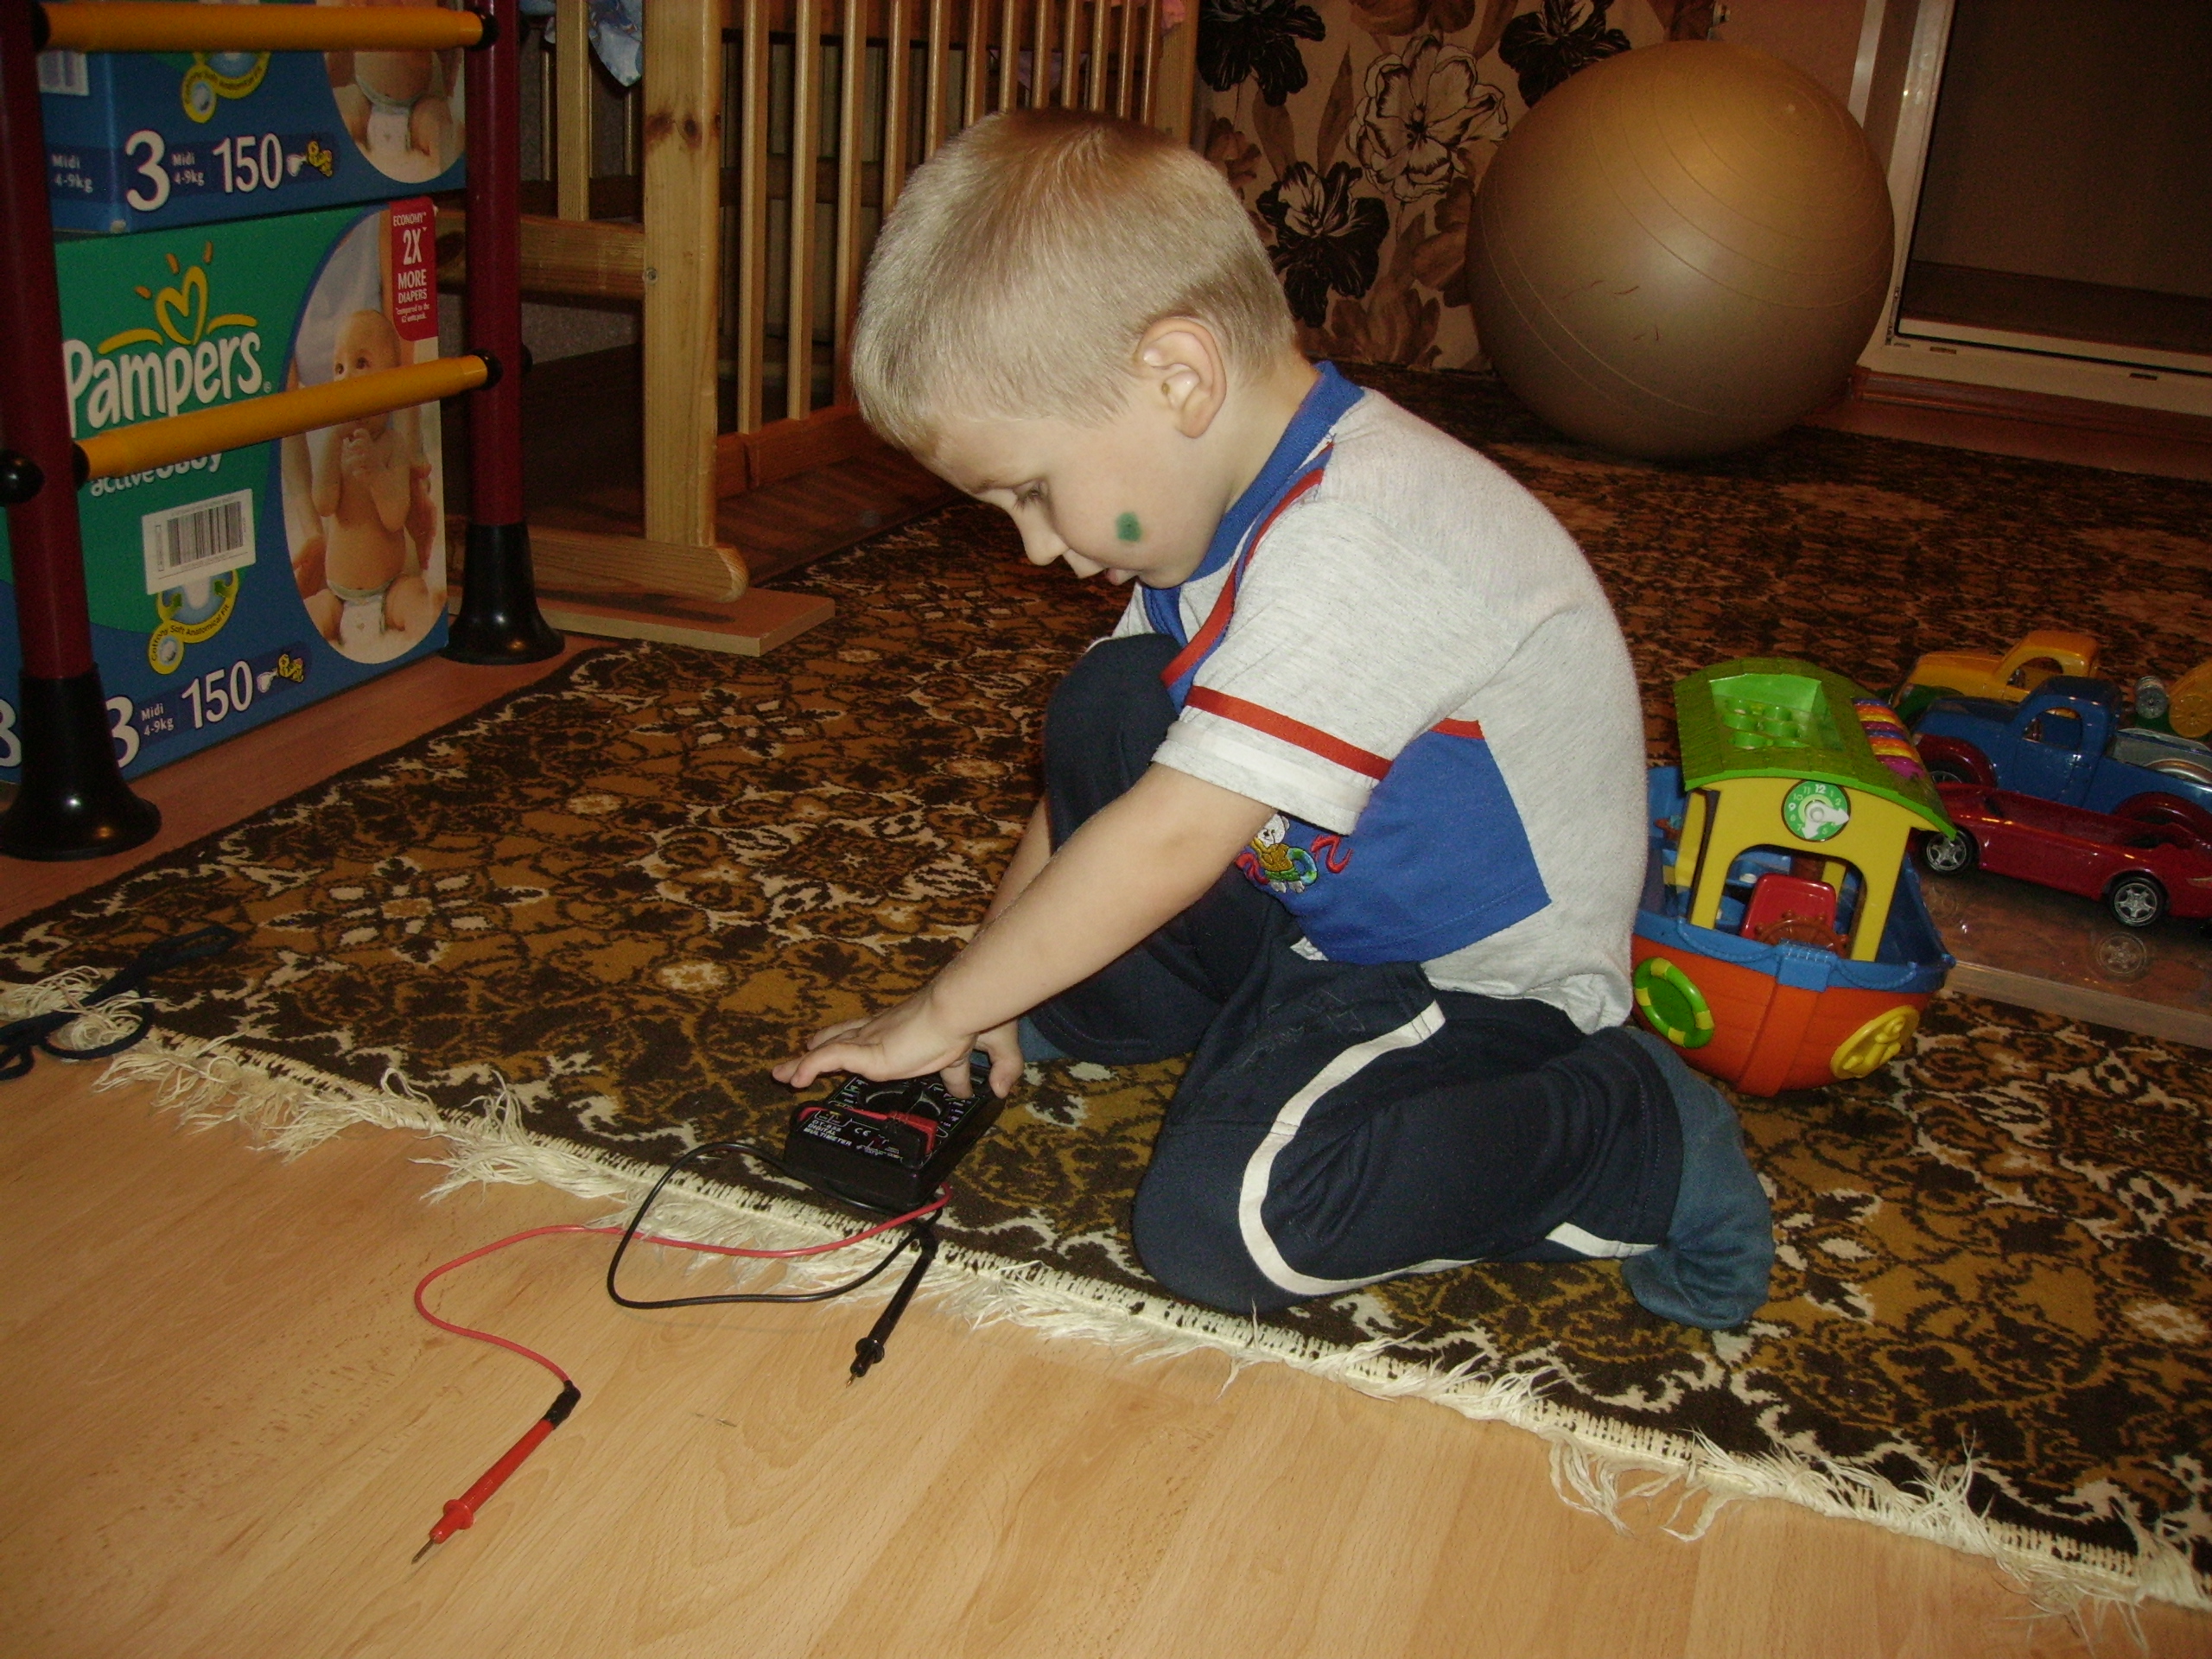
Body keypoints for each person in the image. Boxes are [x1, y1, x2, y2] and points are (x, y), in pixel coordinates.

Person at [774, 109, 1772, 1329]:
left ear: (1178, 377)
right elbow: (1111, 793)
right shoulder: (1218, 506)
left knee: (1226, 1223)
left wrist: (940, 1012)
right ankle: (1182, 1013)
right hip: (1325, 904)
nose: (1034, 547)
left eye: (1033, 490)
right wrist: (982, 996)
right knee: (1114, 698)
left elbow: (1171, 837)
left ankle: (1632, 1134)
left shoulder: (1361, 539)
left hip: (1471, 982)